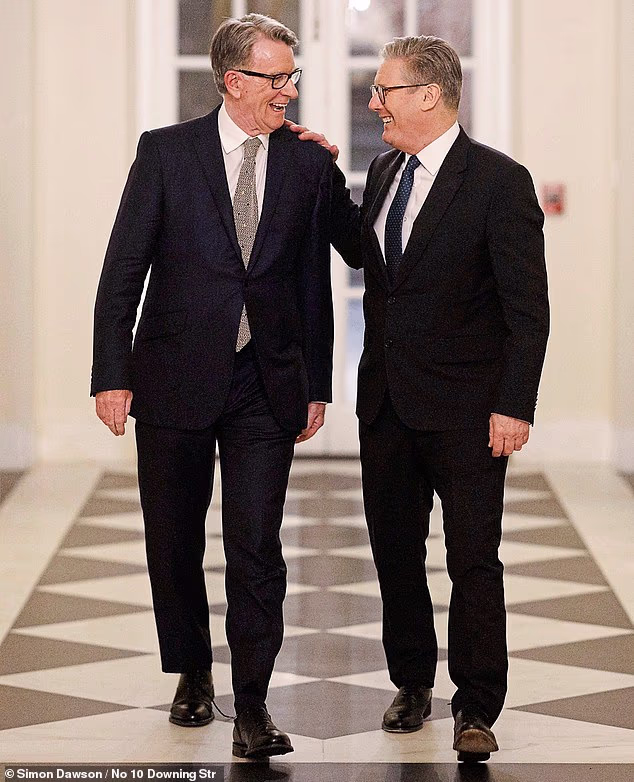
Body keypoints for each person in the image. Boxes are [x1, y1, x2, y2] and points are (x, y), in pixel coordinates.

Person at [294, 34, 549, 762]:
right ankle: (411, 683)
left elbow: (528, 309)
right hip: (387, 404)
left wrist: (515, 405)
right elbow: (363, 251)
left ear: (429, 95)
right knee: (395, 554)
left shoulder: (499, 181)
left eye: (385, 90)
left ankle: (477, 705)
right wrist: (324, 175)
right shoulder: (384, 171)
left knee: (473, 559)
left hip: (469, 410)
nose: (374, 102)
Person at [91, 14, 334, 760]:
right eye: (276, 78)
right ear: (234, 81)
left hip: (266, 380)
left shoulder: (305, 163)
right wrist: (112, 374)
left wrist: (316, 381)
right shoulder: (166, 153)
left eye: (292, 77)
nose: (288, 91)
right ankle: (192, 669)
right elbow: (123, 269)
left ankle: (252, 703)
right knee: (173, 536)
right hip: (173, 376)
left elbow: (316, 279)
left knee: (257, 544)